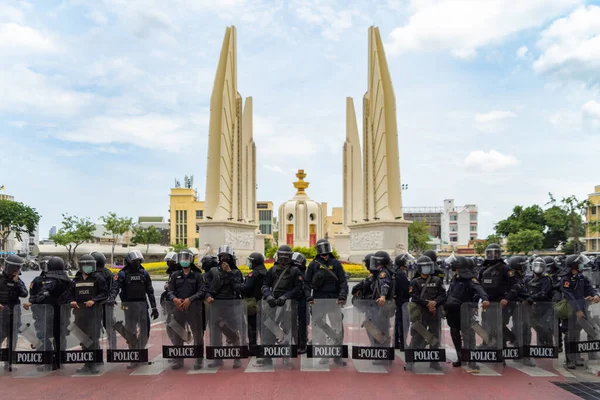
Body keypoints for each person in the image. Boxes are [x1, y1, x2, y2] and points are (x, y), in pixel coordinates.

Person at [108, 249, 158, 369]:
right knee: (130, 331)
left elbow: (150, 292)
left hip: (142, 305)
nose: (136, 262)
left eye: (138, 260)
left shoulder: (144, 274)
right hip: (128, 306)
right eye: (134, 260)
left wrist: (154, 307)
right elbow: (116, 288)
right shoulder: (122, 274)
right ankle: (133, 357)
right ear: (129, 261)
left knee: (145, 331)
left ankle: (140, 353)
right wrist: (112, 298)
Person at [259, 245, 303, 366]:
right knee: (269, 327)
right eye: (281, 256)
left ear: (290, 257)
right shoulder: (272, 270)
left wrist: (286, 297)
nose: (283, 258)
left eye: (286, 256)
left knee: (287, 328)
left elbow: (298, 288)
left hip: (288, 303)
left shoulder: (295, 271)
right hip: (273, 302)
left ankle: (286, 355)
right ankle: (267, 356)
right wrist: (268, 296)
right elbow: (265, 285)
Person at [306, 239, 348, 366]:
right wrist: (309, 297)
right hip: (318, 301)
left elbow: (343, 282)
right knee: (320, 328)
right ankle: (323, 353)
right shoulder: (313, 265)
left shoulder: (336, 264)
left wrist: (342, 296)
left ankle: (337, 355)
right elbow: (306, 284)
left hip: (333, 300)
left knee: (337, 328)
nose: (324, 253)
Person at [444, 255, 489, 370]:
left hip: (465, 311)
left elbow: (479, 290)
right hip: (452, 312)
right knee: (455, 334)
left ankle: (472, 359)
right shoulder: (455, 278)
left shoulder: (470, 279)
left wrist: (485, 299)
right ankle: (460, 357)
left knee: (469, 335)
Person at [66, 254, 108, 374]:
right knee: (83, 339)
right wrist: (71, 301)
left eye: (89, 265)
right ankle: (87, 363)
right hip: (79, 313)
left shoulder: (98, 278)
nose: (86, 267)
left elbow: (104, 293)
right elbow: (69, 294)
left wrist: (94, 301)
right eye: (84, 265)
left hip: (93, 313)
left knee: (93, 338)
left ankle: (93, 363)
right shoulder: (76, 279)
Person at [405, 255, 446, 371]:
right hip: (421, 313)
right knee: (417, 336)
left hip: (434, 313)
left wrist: (435, 302)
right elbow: (414, 296)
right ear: (419, 268)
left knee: (435, 337)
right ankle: (411, 361)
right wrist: (427, 303)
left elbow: (443, 295)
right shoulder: (415, 282)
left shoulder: (437, 280)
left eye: (428, 266)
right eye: (424, 266)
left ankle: (434, 361)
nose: (426, 268)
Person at [205, 245, 243, 369]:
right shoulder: (213, 271)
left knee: (232, 329)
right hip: (216, 304)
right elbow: (206, 287)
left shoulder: (236, 272)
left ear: (231, 258)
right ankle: (217, 358)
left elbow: (238, 287)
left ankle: (237, 358)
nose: (224, 259)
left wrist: (229, 273)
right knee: (215, 331)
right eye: (221, 257)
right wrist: (208, 296)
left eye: (227, 257)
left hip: (230, 303)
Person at [166, 250, 205, 370]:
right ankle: (179, 360)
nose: (184, 261)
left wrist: (190, 299)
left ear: (191, 260)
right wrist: (175, 299)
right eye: (182, 258)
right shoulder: (175, 275)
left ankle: (198, 359)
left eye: (186, 258)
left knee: (197, 334)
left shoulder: (198, 275)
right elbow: (170, 291)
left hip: (194, 308)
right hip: (179, 309)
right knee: (178, 334)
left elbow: (202, 291)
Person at [478, 244, 520, 351]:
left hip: (501, 303)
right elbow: (478, 287)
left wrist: (507, 298)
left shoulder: (505, 268)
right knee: (487, 324)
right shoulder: (483, 269)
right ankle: (488, 344)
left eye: (495, 253)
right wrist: (477, 302)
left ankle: (504, 347)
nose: (492, 255)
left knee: (499, 326)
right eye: (490, 253)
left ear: (499, 254)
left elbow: (515, 285)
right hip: (487, 303)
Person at [561, 254, 600, 369]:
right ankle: (570, 360)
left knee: (584, 332)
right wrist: (577, 309)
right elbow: (569, 296)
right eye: (579, 263)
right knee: (570, 335)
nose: (581, 265)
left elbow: (589, 288)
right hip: (570, 311)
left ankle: (579, 357)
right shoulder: (565, 279)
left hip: (583, 309)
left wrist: (595, 295)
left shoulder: (581, 276)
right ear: (574, 265)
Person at [0, 255, 28, 371]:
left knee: (13, 338)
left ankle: (9, 362)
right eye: (16, 267)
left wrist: (17, 283)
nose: (17, 270)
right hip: (2, 313)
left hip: (14, 312)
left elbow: (24, 294)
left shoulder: (18, 281)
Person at [243, 252, 267, 357]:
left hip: (253, 303)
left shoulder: (253, 274)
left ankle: (253, 348)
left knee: (252, 326)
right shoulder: (266, 272)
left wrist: (238, 286)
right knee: (264, 326)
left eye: (251, 261)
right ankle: (265, 347)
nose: (249, 263)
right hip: (264, 303)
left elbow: (246, 288)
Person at [291, 252, 310, 354]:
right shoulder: (291, 272)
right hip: (291, 300)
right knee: (292, 322)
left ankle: (303, 344)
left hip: (302, 300)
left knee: (302, 323)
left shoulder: (306, 273)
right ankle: (296, 342)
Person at [393, 253, 412, 350]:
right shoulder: (400, 273)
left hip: (397, 300)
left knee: (398, 321)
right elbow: (406, 288)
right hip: (402, 300)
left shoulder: (395, 272)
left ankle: (396, 342)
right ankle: (402, 344)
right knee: (403, 322)